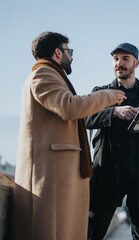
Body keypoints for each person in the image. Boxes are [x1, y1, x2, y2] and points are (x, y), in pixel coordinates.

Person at [9, 32, 126, 240]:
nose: (71, 57)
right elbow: (69, 106)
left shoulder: (49, 74)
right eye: (68, 51)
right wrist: (107, 97)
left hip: (56, 173)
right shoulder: (43, 74)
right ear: (57, 52)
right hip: (51, 175)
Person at [86, 43, 139, 240]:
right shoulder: (100, 92)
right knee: (93, 233)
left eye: (125, 59)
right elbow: (85, 119)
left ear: (136, 63)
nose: (120, 63)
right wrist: (115, 112)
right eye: (116, 59)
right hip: (108, 171)